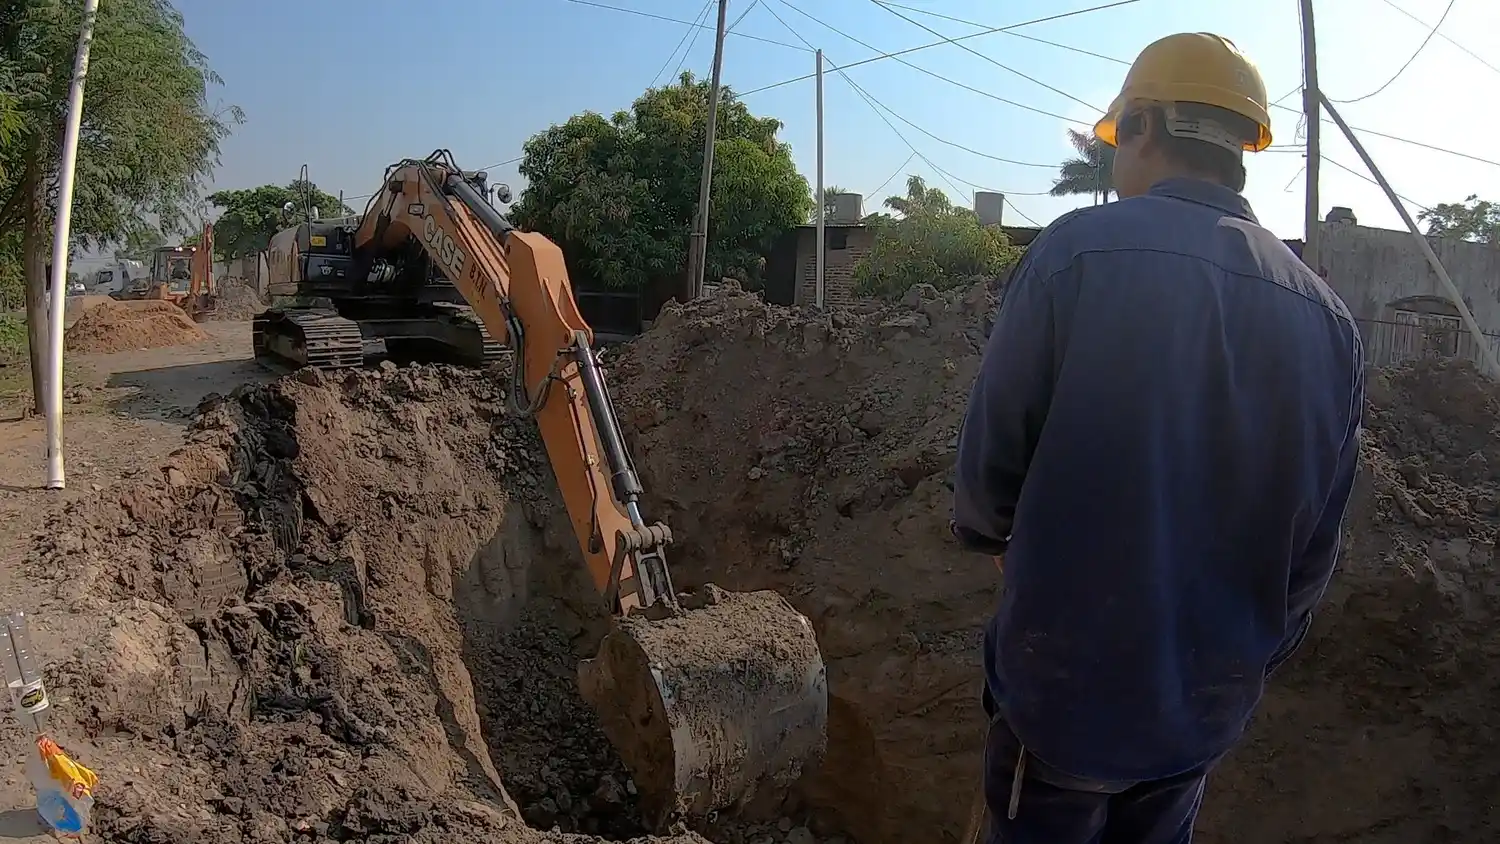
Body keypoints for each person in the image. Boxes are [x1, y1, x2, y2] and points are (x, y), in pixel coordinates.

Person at [951, 32, 1365, 844]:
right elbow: (1315, 547)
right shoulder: (1330, 322)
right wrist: (1244, 654)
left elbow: (991, 458)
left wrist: (990, 533)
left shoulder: (1074, 254)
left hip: (1065, 694)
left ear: (1142, 124)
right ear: (1242, 148)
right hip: (1202, 711)